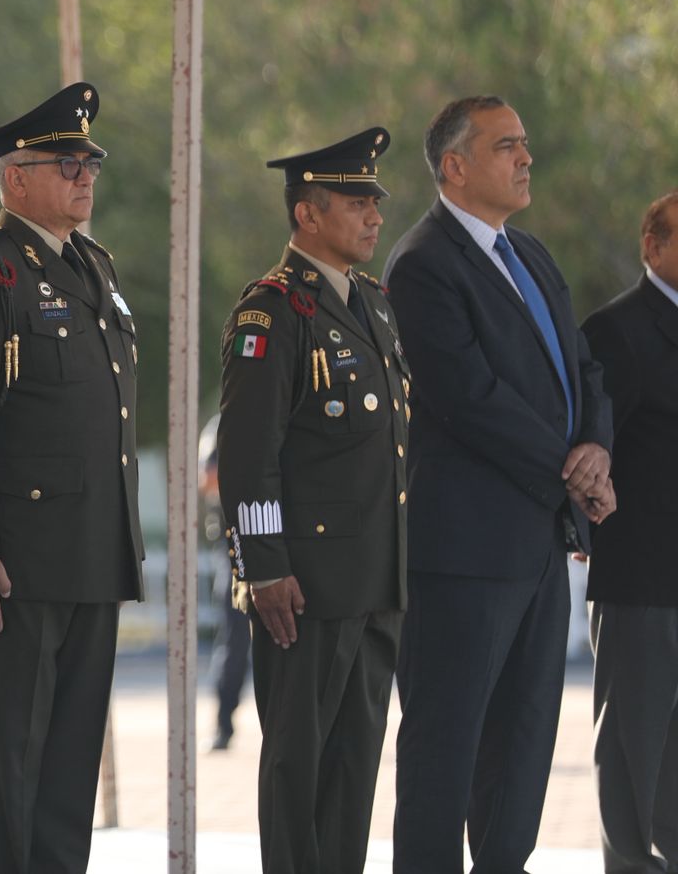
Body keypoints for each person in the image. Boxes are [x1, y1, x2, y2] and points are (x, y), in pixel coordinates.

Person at [385, 95, 615, 874]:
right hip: (465, 556)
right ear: (454, 166)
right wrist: (569, 466)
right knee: (444, 756)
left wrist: (597, 450)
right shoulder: (422, 264)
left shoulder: (534, 256)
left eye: (526, 143)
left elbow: (584, 371)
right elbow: (468, 397)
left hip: (540, 546)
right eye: (506, 145)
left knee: (521, 757)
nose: (525, 158)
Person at [0, 81, 144, 874]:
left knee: (68, 768)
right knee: (14, 762)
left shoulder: (93, 264)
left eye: (89, 163)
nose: (84, 176)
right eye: (65, 164)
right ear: (15, 177)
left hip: (93, 550)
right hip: (16, 562)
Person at [215, 127, 408, 874]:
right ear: (307, 214)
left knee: (355, 772)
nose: (373, 216)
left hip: (372, 579)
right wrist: (262, 567)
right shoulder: (274, 311)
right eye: (357, 202)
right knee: (299, 771)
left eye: (374, 202)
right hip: (304, 588)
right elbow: (247, 454)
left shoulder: (374, 306)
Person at [580, 190, 678, 874]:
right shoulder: (617, 329)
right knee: (631, 753)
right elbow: (590, 445)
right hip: (642, 581)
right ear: (653, 246)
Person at [197, 412, 250, 753]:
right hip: (234, 544)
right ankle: (224, 724)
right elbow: (207, 478)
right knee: (234, 639)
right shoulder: (223, 425)